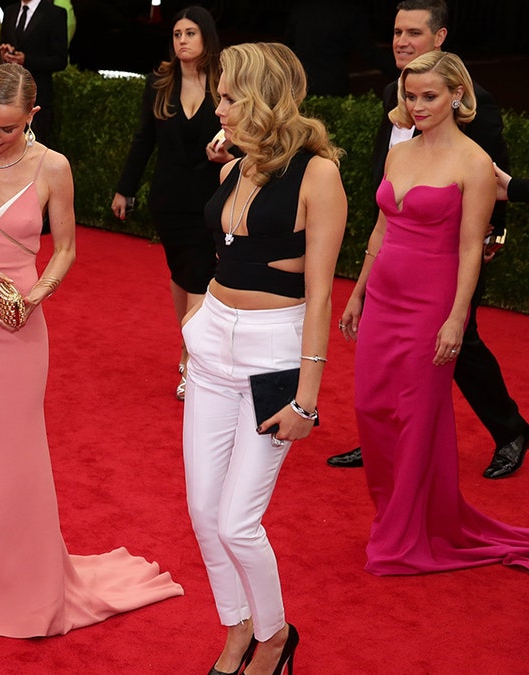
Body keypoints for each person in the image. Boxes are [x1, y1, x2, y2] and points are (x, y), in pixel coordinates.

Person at [0, 62, 184, 638]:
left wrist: (35, 296)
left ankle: (26, 585)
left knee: (18, 461)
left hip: (21, 328)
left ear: (32, 117)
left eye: (8, 128)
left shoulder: (53, 168)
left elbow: (65, 248)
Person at [185, 42, 345, 675]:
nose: (218, 107)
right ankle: (238, 625)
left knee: (238, 522)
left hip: (273, 356)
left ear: (261, 98)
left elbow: (322, 292)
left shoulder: (318, 174)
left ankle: (275, 637)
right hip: (210, 348)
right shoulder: (236, 164)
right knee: (202, 510)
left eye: (228, 97)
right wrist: (199, 320)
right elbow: (222, 251)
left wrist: (307, 397)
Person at [339, 50, 529, 576]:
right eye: (411, 95)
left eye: (430, 96)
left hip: (433, 302)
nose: (418, 105)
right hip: (383, 298)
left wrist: (456, 317)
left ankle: (403, 535)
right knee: (372, 409)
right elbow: (380, 230)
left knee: (418, 417)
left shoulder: (474, 162)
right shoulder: (400, 154)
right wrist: (358, 293)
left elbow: (472, 248)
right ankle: (395, 514)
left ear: (457, 96)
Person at [325, 0, 527, 480]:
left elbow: (493, 179)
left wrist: (490, 234)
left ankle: (509, 430)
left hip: (450, 250)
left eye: (413, 32)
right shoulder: (394, 94)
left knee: (459, 342)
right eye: (396, 31)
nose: (400, 41)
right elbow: (387, 170)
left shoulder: (471, 100)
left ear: (439, 39)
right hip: (399, 239)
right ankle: (388, 436)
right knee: (398, 354)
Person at [111, 5, 224, 402]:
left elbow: (245, 134)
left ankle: (192, 361)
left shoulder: (226, 83)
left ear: (206, 37)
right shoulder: (160, 81)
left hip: (213, 198)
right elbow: (144, 138)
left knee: (199, 274)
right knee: (182, 276)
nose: (182, 41)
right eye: (177, 34)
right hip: (169, 198)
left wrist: (231, 153)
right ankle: (189, 346)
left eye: (190, 33)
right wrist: (125, 188)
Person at [0, 0, 66, 145]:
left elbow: (60, 60)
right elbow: (4, 43)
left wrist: (27, 60)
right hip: (8, 94)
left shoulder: (54, 13)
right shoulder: (10, 11)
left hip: (38, 97)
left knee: (35, 146)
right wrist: (3, 54)